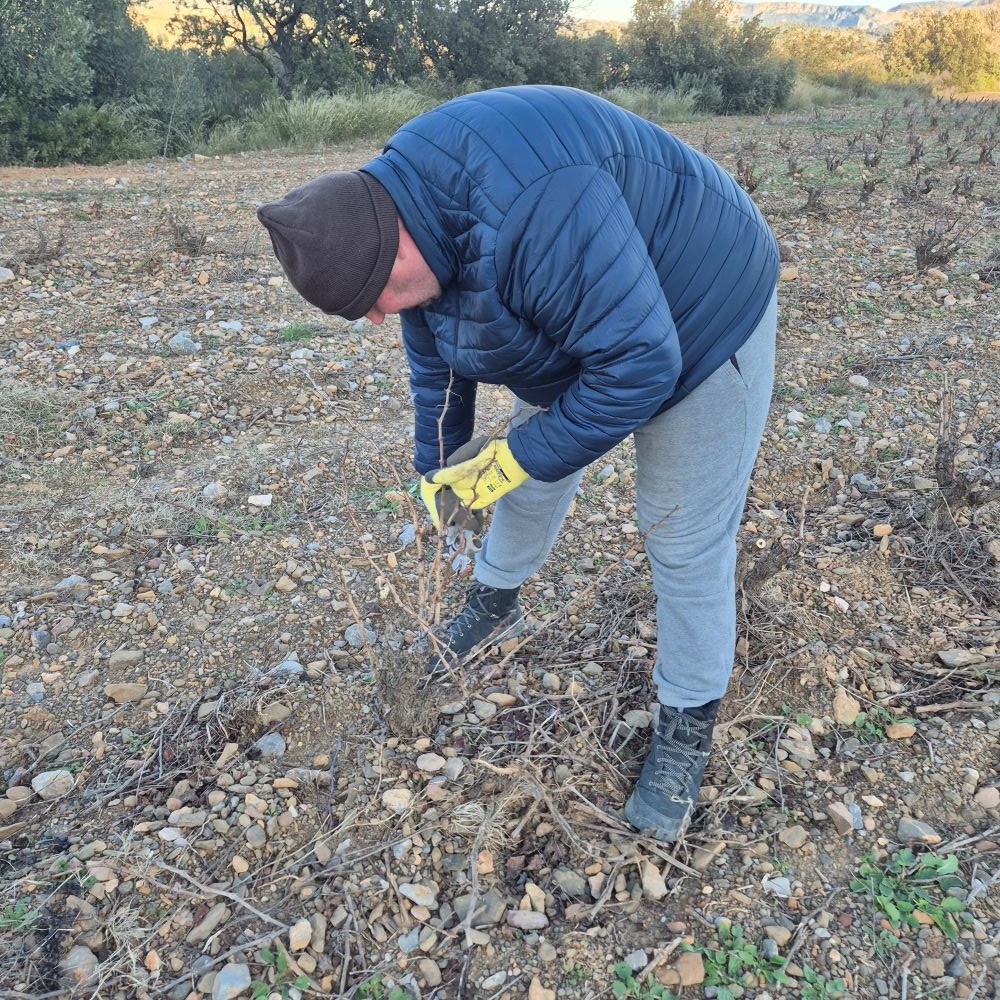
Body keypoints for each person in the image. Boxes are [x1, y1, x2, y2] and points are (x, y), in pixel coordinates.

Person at [257, 85, 778, 843]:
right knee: (522, 471)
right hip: (597, 301)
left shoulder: (538, 213)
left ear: (395, 242)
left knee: (681, 533)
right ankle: (495, 602)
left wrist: (510, 460)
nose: (374, 317)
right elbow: (435, 363)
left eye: (372, 296)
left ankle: (688, 720)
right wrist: (441, 471)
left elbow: (641, 366)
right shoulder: (406, 212)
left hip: (704, 305)